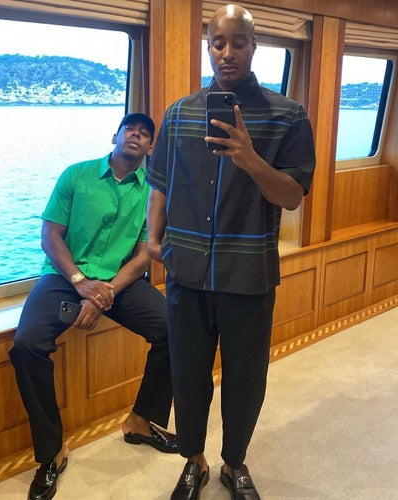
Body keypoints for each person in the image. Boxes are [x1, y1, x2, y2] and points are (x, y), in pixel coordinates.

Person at [146, 4, 316, 500]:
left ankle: (234, 462)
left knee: (246, 379)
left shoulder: (287, 115)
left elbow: (292, 196)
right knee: (187, 375)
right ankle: (193, 460)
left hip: (248, 276)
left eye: (238, 42)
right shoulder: (180, 113)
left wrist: (250, 159)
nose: (227, 52)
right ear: (208, 47)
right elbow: (161, 184)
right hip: (186, 272)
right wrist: (154, 242)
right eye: (218, 43)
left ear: (253, 46)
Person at [9, 112, 178, 500]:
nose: (137, 136)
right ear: (115, 136)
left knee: (175, 329)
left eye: (145, 134)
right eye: (130, 129)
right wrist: (80, 282)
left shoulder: (153, 191)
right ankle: (52, 451)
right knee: (27, 345)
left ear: (151, 147)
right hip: (64, 277)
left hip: (119, 282)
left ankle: (140, 422)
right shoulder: (76, 175)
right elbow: (50, 236)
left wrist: (107, 292)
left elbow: (143, 255)